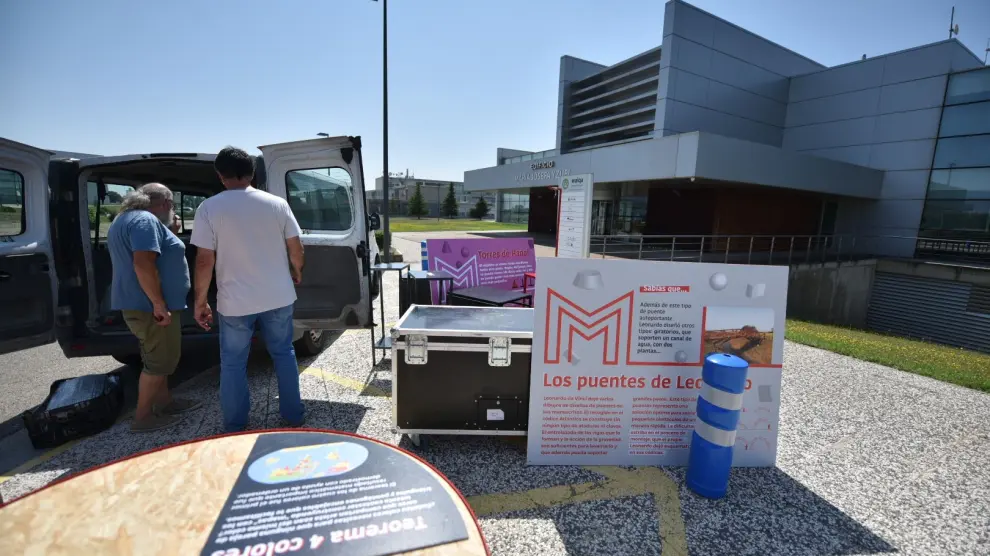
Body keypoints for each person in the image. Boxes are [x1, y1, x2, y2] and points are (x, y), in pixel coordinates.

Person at [191, 146, 306, 432]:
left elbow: (205, 260)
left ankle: (235, 426)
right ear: (253, 173)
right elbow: (296, 247)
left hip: (234, 302)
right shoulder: (277, 204)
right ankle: (293, 415)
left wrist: (200, 301)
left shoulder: (209, 208)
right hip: (278, 295)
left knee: (232, 363)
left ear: (220, 175)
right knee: (283, 353)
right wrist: (296, 271)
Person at [107, 183, 202, 432]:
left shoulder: (128, 218)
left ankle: (164, 402)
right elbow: (143, 264)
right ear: (167, 203)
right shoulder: (144, 221)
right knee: (159, 362)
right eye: (171, 204)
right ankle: (143, 418)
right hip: (149, 307)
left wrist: (169, 230)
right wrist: (158, 303)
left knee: (157, 357)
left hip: (142, 305)